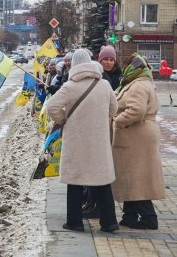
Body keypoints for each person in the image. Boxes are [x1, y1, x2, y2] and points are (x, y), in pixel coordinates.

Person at [46, 49, 119, 233]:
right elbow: (114, 109)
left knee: (75, 180)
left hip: (76, 139)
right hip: (99, 140)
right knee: (102, 180)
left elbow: (52, 106)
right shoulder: (104, 84)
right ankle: (109, 222)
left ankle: (74, 222)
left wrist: (64, 119)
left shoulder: (70, 86)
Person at [111, 53, 165, 230]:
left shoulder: (138, 85)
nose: (124, 68)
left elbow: (136, 111)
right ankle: (130, 216)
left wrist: (117, 120)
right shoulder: (137, 83)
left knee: (137, 178)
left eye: (126, 65)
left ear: (133, 67)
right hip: (136, 136)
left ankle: (149, 218)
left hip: (137, 136)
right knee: (130, 177)